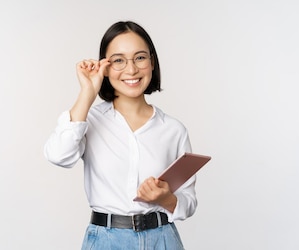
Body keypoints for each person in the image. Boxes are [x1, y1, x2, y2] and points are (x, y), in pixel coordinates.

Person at [44, 20, 197, 250]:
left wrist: (165, 198)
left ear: (152, 62)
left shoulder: (173, 130)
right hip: (106, 241)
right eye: (118, 60)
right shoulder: (89, 120)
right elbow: (58, 155)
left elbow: (189, 201)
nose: (131, 69)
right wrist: (88, 92)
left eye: (140, 57)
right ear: (105, 67)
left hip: (163, 239)